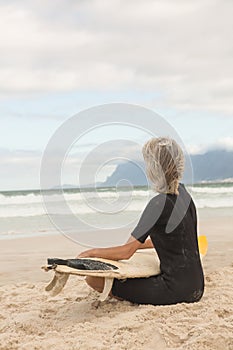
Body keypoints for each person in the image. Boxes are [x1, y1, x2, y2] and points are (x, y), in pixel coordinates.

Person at [77, 137, 204, 305]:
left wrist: (91, 253)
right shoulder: (185, 195)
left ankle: (127, 298)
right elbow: (176, 239)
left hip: (174, 290)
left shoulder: (158, 204)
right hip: (197, 288)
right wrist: (140, 246)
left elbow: (125, 253)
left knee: (93, 280)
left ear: (154, 168)